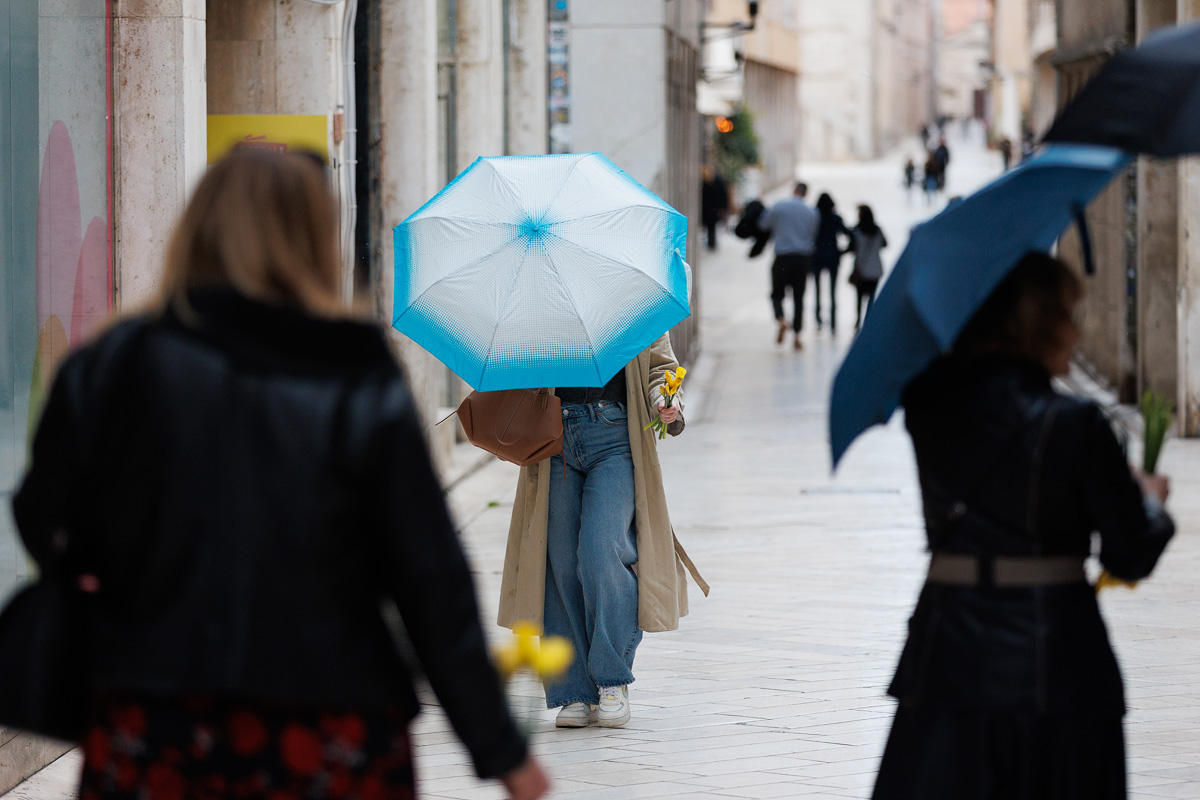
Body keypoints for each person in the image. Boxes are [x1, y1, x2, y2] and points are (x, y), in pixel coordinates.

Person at [12, 150, 549, 800]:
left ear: (197, 230)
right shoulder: (356, 373)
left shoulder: (114, 362)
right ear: (316, 239)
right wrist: (498, 749)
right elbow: (427, 576)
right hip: (331, 721)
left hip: (157, 715)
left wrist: (119, 569)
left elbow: (43, 513)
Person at [873, 252, 1175, 800]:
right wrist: (1149, 501)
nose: (1079, 331)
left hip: (946, 659)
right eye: (1067, 314)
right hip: (1057, 662)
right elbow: (1129, 553)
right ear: (1032, 321)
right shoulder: (1077, 424)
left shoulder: (928, 407)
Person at [499, 339, 707, 730]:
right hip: (554, 438)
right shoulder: (543, 305)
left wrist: (668, 401)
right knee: (560, 563)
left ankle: (612, 680)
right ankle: (575, 690)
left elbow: (660, 367)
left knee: (600, 552)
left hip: (613, 436)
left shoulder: (630, 294)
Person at [760, 182, 820, 350]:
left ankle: (781, 319)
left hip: (783, 257)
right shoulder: (811, 212)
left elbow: (764, 224)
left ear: (794, 191)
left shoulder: (779, 206)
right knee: (798, 297)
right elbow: (813, 234)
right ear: (806, 194)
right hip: (802, 259)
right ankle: (797, 336)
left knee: (777, 293)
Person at [812, 193, 852, 333]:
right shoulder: (836, 219)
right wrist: (843, 251)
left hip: (817, 257)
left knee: (817, 290)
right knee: (833, 292)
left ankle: (818, 319)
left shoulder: (815, 219)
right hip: (833, 258)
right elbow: (849, 234)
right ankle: (833, 322)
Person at [846, 205, 887, 331]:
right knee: (872, 297)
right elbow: (885, 244)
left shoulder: (856, 231)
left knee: (859, 297)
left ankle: (858, 320)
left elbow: (851, 248)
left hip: (861, 268)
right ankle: (869, 320)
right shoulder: (877, 230)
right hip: (875, 269)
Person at [701, 165, 730, 251]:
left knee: (711, 227)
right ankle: (711, 243)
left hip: (713, 210)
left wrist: (722, 208)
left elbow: (723, 196)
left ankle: (711, 244)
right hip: (709, 209)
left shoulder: (717, 182)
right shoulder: (706, 183)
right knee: (710, 227)